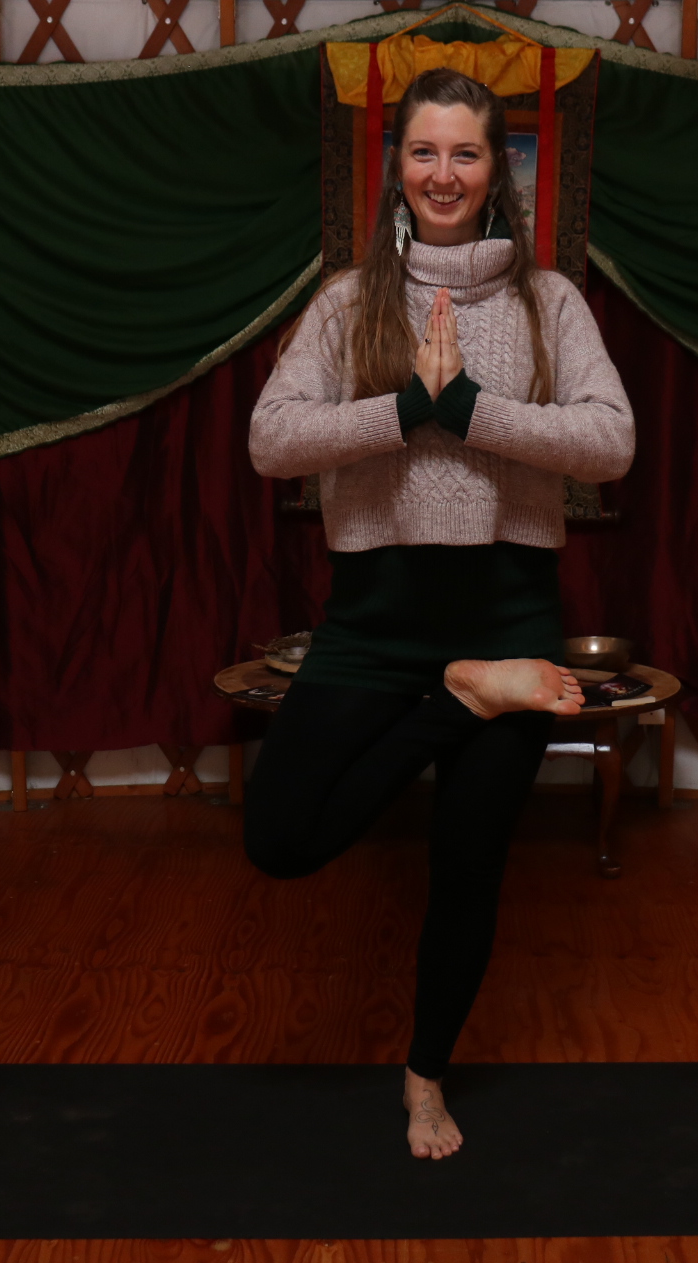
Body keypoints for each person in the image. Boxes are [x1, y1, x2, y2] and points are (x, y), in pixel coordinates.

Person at [245, 67, 634, 1160]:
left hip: (507, 604)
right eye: (425, 151)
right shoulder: (345, 301)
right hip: (377, 611)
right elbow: (272, 440)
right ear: (395, 167)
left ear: (499, 169)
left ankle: (426, 1079)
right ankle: (458, 700)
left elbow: (611, 441)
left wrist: (471, 409)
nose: (445, 173)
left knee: (468, 862)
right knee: (280, 838)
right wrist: (407, 406)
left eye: (468, 153)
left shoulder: (550, 302)